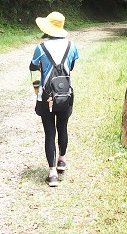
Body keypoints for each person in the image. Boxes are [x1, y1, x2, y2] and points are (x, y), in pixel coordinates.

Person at [29, 11, 79, 187]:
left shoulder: (41, 48)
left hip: (45, 96)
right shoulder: (71, 46)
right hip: (65, 95)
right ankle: (62, 160)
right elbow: (71, 66)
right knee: (63, 127)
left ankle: (51, 174)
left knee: (49, 132)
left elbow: (33, 66)